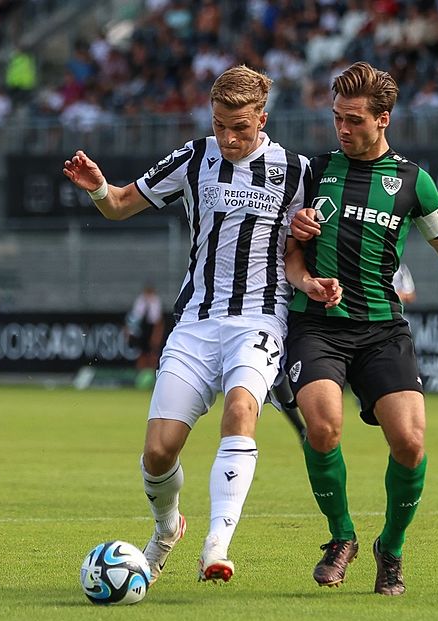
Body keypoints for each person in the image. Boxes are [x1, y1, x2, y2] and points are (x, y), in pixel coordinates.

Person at [62, 65, 341, 585]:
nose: (229, 138)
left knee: (240, 408)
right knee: (158, 451)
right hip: (195, 322)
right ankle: (168, 527)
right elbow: (121, 205)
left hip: (261, 316)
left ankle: (217, 543)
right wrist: (100, 188)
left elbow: (304, 247)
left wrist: (308, 277)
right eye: (219, 126)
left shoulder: (298, 170)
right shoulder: (193, 158)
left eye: (240, 127)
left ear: (262, 117)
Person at [287, 61, 438, 596]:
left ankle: (389, 549)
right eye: (336, 118)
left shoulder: (414, 182)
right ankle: (341, 536)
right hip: (317, 325)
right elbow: (289, 252)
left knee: (411, 443)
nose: (342, 129)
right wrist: (301, 260)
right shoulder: (314, 170)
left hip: (381, 330)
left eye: (354, 120)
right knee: (322, 426)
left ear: (383, 119)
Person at [125, 284, 165, 372]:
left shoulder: (155, 302)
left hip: (151, 329)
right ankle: (141, 374)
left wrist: (155, 337)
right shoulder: (140, 301)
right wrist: (130, 333)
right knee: (141, 354)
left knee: (153, 354)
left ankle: (153, 374)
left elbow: (158, 322)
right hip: (141, 330)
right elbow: (133, 318)